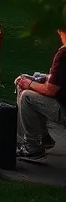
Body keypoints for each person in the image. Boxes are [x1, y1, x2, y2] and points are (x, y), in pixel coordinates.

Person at [14, 28, 66, 163]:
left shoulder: (64, 54)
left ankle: (33, 148)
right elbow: (58, 80)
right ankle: (42, 138)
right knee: (27, 84)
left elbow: (50, 90)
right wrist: (40, 78)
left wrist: (28, 83)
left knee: (26, 97)